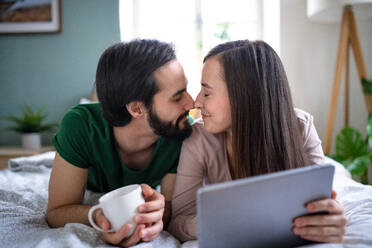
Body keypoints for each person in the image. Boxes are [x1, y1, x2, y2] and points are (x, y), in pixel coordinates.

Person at [168, 40, 348, 243]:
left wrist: (330, 218)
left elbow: (323, 204)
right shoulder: (198, 137)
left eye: (207, 93)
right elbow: (178, 222)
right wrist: (223, 220)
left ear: (244, 96)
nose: (197, 102)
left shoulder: (300, 126)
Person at [45, 39, 194, 247]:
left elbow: (169, 205)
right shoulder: (81, 125)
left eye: (186, 89)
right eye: (177, 97)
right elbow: (56, 212)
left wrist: (158, 212)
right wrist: (100, 216)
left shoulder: (180, 129)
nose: (192, 103)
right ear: (137, 109)